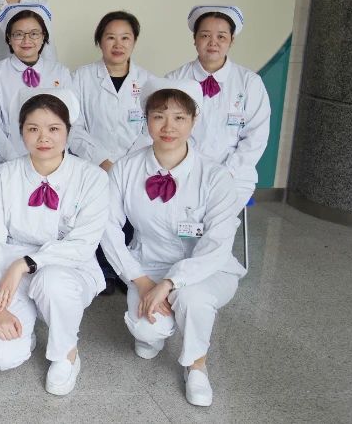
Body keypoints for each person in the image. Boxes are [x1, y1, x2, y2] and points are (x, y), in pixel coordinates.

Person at [101, 80, 245, 407]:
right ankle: (154, 335)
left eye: (179, 118)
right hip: (148, 264)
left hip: (208, 269)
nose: (169, 127)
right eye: (159, 116)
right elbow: (107, 228)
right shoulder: (125, 169)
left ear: (194, 120)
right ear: (146, 119)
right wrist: (141, 281)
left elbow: (217, 244)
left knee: (192, 297)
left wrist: (169, 284)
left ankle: (196, 366)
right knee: (147, 331)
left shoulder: (215, 176)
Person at [0, 89, 108, 396]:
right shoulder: (4, 175)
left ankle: (66, 353)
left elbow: (82, 244)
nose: (43, 137)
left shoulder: (92, 178)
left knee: (52, 282)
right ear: (21, 131)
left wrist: (26, 264)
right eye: (33, 128)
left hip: (68, 266)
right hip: (10, 261)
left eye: (54, 128)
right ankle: (27, 328)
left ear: (68, 131)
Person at [165, 6, 271, 208]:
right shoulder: (175, 80)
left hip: (234, 175)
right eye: (205, 35)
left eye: (221, 36)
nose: (213, 42)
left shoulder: (250, 82)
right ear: (194, 39)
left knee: (217, 218)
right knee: (176, 216)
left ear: (232, 40)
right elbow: (165, 131)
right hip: (182, 171)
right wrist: (184, 168)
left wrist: (228, 172)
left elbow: (256, 136)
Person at [0, 3, 73, 170]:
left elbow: (70, 121)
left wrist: (53, 157)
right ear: (8, 38)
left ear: (43, 37)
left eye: (34, 34)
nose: (26, 40)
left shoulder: (60, 72)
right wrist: (14, 160)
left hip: (52, 162)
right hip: (5, 163)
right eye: (18, 34)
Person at [70, 11, 154, 171]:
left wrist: (129, 164)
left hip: (136, 167)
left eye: (125, 38)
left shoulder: (148, 81)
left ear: (134, 41)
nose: (118, 45)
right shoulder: (80, 78)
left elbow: (151, 129)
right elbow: (73, 126)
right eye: (110, 37)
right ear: (100, 41)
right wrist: (101, 160)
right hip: (91, 167)